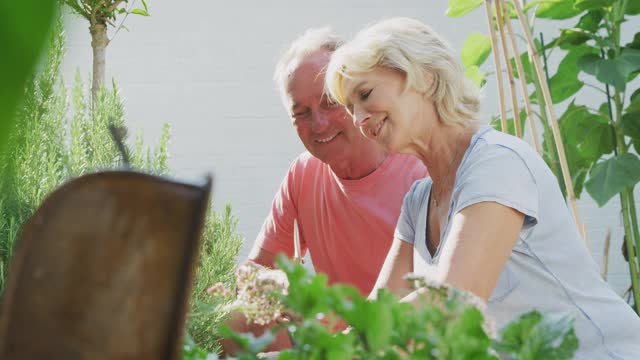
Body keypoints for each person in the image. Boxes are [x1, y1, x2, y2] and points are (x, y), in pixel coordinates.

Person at [325, 17, 640, 359]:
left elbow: (454, 304)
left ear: (425, 76)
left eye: (365, 94)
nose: (358, 118)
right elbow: (378, 310)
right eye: (349, 107)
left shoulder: (497, 163)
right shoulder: (418, 202)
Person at [220, 27, 427, 355]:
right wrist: (274, 286)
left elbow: (439, 297)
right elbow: (254, 271)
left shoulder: (417, 173)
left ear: (357, 96)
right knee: (237, 320)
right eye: (301, 113)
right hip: (331, 347)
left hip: (403, 342)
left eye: (329, 102)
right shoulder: (304, 173)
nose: (318, 125)